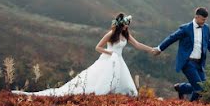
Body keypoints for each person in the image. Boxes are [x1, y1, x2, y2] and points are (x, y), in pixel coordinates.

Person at [13, 13, 154, 97]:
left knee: (124, 85)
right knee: (101, 82)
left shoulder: (126, 35)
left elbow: (137, 44)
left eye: (127, 24)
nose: (127, 26)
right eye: (125, 24)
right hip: (108, 60)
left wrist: (151, 49)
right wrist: (109, 53)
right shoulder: (111, 34)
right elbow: (97, 47)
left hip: (119, 62)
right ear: (120, 25)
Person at [153, 6, 210, 101]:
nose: (204, 22)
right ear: (196, 17)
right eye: (202, 19)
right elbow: (172, 38)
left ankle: (181, 88)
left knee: (205, 88)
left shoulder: (206, 28)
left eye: (205, 20)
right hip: (188, 62)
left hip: (200, 63)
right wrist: (159, 48)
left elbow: (209, 42)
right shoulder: (186, 28)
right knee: (199, 89)